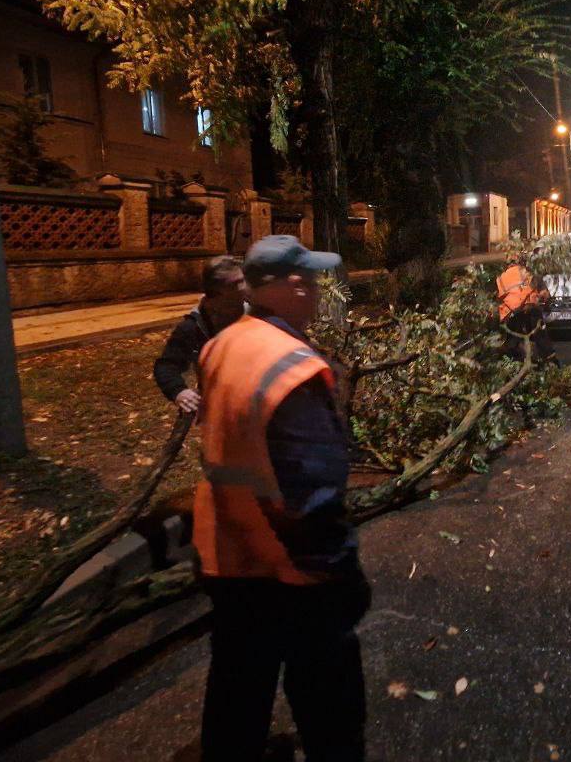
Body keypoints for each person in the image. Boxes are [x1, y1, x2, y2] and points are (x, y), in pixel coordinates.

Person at [194, 235, 369, 762]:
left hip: (226, 550)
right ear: (292, 286)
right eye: (312, 280)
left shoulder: (221, 344)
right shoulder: (291, 366)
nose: (318, 290)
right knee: (328, 696)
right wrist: (337, 571)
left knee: (238, 684)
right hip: (289, 565)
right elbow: (311, 487)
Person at [153, 255, 246, 413]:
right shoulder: (194, 326)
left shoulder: (257, 312)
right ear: (217, 291)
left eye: (243, 280)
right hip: (221, 409)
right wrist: (178, 391)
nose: (244, 287)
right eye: (236, 283)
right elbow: (166, 365)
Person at [495, 250, 555, 363]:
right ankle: (550, 359)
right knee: (540, 336)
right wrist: (545, 302)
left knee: (512, 339)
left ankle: (511, 360)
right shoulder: (530, 273)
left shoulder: (502, 276)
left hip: (509, 313)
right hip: (529, 310)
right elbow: (545, 295)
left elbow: (498, 297)